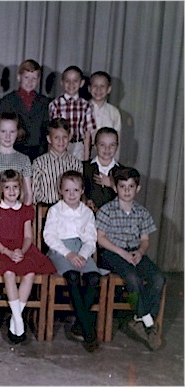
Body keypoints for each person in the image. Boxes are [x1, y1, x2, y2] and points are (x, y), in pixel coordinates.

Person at [0, 169, 55, 344]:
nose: (12, 191)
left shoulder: (25, 211)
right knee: (8, 272)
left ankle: (14, 320)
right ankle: (18, 319)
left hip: (21, 248)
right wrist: (8, 252)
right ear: (1, 189)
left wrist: (21, 251)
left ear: (21, 189)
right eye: (7, 187)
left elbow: (27, 237)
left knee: (30, 272)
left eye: (16, 187)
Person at [96, 167, 165, 351]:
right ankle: (149, 324)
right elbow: (100, 238)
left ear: (138, 189)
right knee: (132, 279)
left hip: (135, 252)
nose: (127, 191)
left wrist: (140, 252)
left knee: (158, 278)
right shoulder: (106, 210)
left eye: (131, 186)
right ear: (116, 188)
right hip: (112, 253)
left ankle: (138, 318)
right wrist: (122, 253)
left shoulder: (142, 212)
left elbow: (145, 240)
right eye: (122, 186)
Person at [43, 170, 109, 352]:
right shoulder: (55, 210)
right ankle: (89, 331)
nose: (71, 194)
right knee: (72, 276)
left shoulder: (87, 212)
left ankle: (80, 323)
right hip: (60, 250)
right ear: (60, 191)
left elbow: (90, 239)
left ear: (82, 191)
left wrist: (82, 254)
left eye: (75, 190)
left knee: (94, 277)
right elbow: (50, 236)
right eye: (67, 190)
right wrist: (68, 254)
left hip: (82, 250)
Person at [0, 59, 50, 161]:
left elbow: (45, 128)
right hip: (14, 149)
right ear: (19, 77)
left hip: (37, 151)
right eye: (26, 77)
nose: (30, 82)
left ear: (38, 80)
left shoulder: (44, 102)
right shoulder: (8, 100)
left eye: (34, 78)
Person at [48, 65, 97, 161]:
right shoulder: (55, 104)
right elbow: (52, 131)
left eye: (75, 81)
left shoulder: (85, 105)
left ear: (81, 83)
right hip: (59, 145)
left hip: (78, 147)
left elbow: (87, 134)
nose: (71, 84)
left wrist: (86, 158)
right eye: (67, 81)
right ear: (62, 83)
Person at [32, 118, 83, 205]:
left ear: (70, 137)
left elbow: (80, 190)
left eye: (64, 137)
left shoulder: (76, 164)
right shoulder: (39, 163)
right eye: (56, 137)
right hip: (47, 209)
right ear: (49, 139)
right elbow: (34, 192)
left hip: (71, 210)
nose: (61, 141)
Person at [83, 127, 122, 212]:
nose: (107, 149)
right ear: (95, 145)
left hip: (113, 220)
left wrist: (112, 184)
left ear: (117, 146)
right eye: (102, 145)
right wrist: (85, 200)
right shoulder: (84, 168)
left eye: (112, 145)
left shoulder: (122, 172)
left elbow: (127, 198)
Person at [88, 71, 122, 158]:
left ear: (109, 89)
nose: (98, 89)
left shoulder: (114, 112)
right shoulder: (82, 109)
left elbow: (117, 139)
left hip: (106, 157)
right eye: (95, 86)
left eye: (102, 86)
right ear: (89, 88)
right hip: (84, 155)